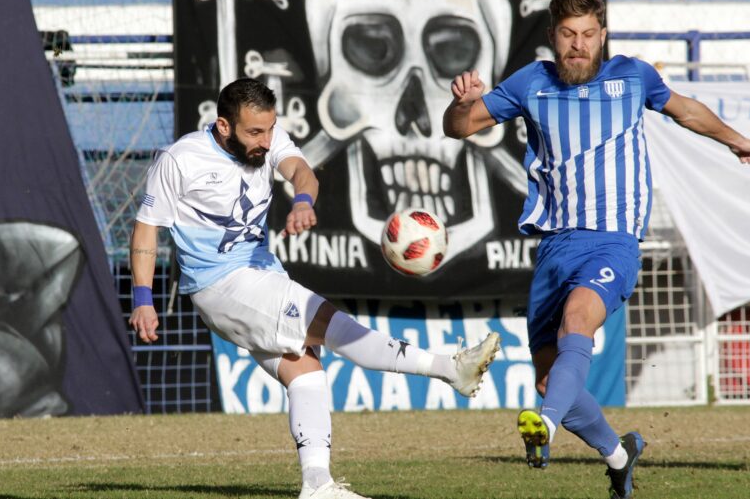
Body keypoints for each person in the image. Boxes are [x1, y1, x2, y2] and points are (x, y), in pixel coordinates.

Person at [442, 0, 750, 498]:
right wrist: (461, 104)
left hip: (612, 243)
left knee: (578, 320)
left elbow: (686, 110)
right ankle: (619, 456)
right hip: (554, 248)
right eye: (568, 35)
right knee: (550, 381)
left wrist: (737, 140)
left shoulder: (632, 77)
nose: (578, 45)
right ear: (552, 37)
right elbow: (460, 128)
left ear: (602, 37)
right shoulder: (531, 83)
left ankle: (545, 426)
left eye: (588, 35)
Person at [129, 78, 501, 499]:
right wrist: (143, 298)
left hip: (260, 276)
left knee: (305, 370)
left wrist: (303, 200)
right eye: (255, 132)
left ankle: (317, 484)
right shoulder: (180, 160)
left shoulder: (269, 140)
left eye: (270, 129)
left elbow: (302, 172)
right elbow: (146, 229)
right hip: (221, 284)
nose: (266, 141)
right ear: (223, 126)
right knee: (332, 324)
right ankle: (449, 368)